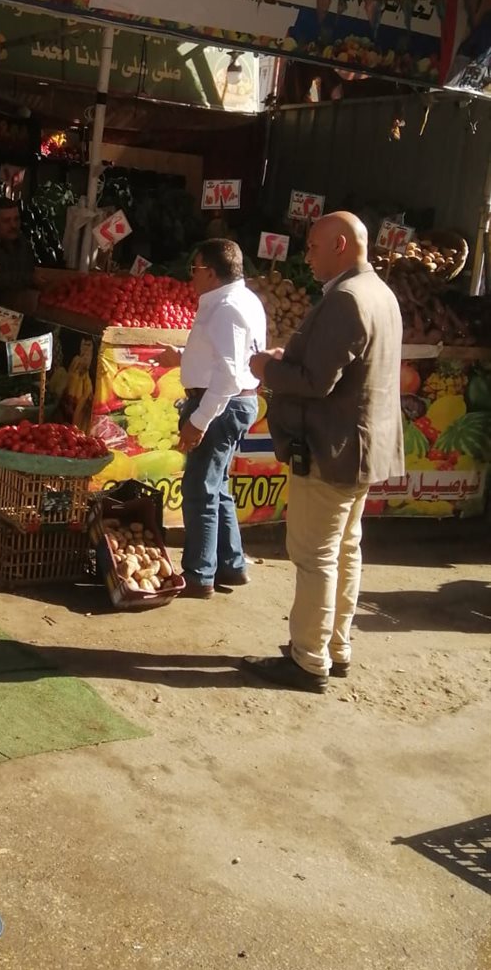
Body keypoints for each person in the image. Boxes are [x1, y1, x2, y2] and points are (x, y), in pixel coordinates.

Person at [244, 211, 404, 694]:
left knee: (315, 555)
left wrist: (265, 368)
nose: (307, 256)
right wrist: (287, 360)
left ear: (340, 245)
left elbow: (317, 382)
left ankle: (309, 659)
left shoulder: (348, 298)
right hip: (359, 450)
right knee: (345, 549)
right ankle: (335, 647)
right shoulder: (380, 293)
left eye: (313, 246)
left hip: (332, 449)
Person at [162, 239, 267, 599]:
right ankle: (230, 565)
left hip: (222, 404)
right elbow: (222, 359)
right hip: (227, 402)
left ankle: (199, 574)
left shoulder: (227, 308)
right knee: (216, 485)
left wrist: (200, 420)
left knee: (200, 488)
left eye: (194, 269)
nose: (191, 277)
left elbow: (229, 375)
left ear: (209, 271)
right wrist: (182, 358)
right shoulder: (236, 301)